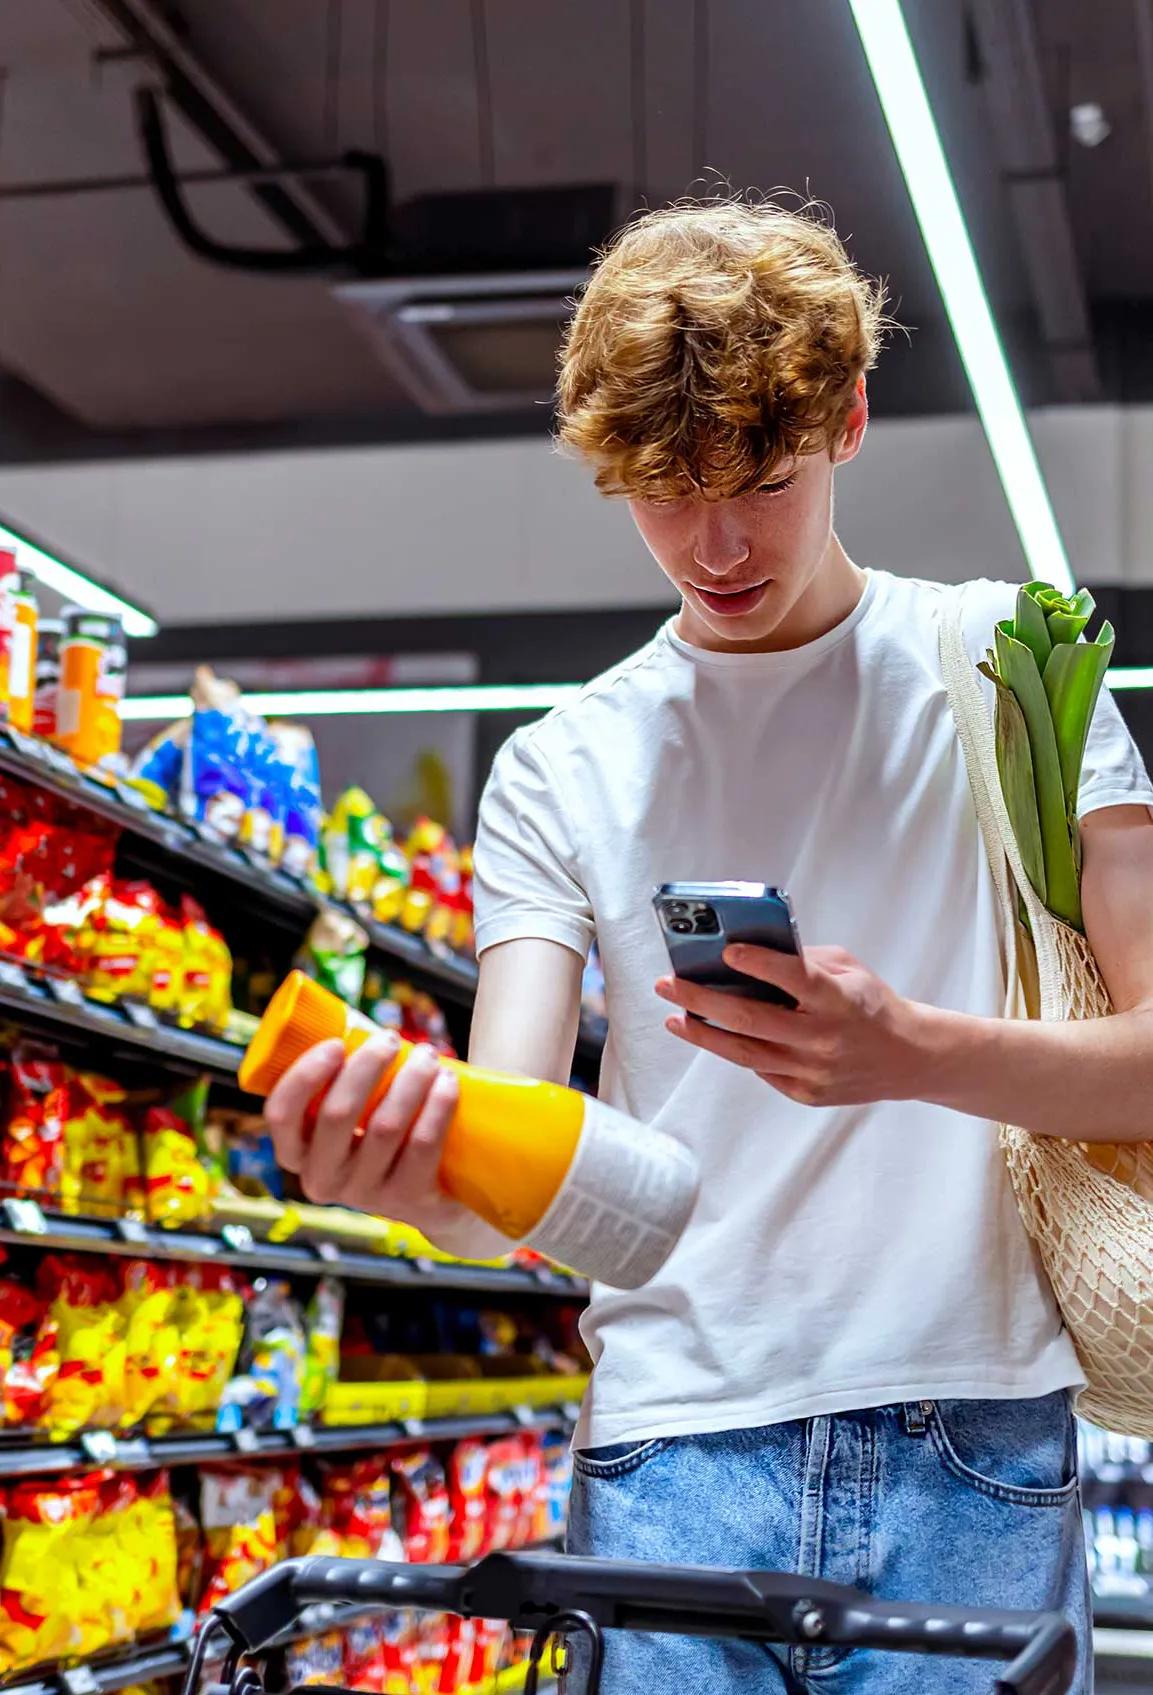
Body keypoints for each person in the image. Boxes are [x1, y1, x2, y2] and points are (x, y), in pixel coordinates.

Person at [263, 198, 1153, 1692]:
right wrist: (412, 1171)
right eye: (664, 494)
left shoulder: (1014, 671)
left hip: (971, 1438)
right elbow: (514, 1171)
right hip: (671, 1450)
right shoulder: (561, 766)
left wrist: (910, 1055)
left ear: (849, 422)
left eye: (760, 479)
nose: (715, 543)